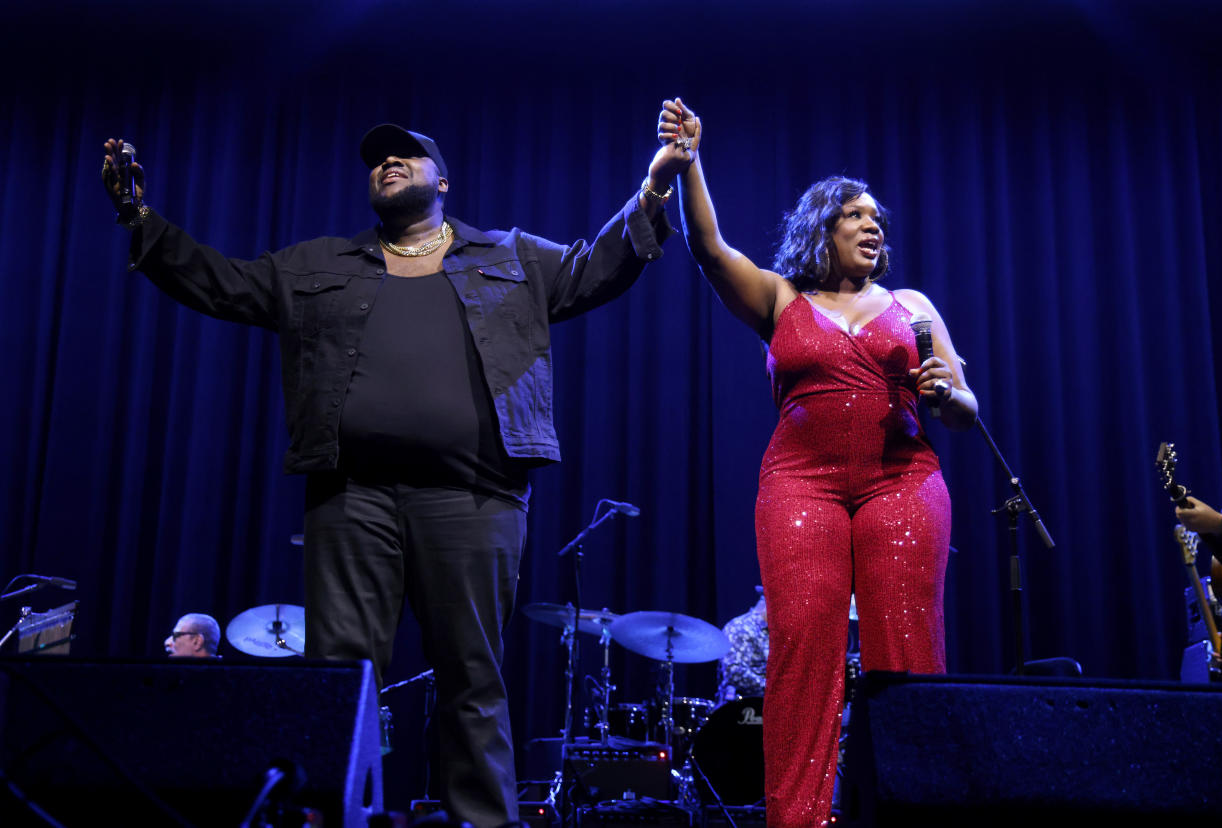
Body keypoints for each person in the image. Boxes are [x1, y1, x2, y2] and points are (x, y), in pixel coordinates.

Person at [102, 125, 688, 828]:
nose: (387, 161)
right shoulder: (319, 264)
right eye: (377, 157)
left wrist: (654, 187)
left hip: (475, 496)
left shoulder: (512, 255)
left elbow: (598, 266)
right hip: (353, 498)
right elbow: (222, 284)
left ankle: (483, 824)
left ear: (442, 181)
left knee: (472, 676)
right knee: (340, 679)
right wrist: (140, 218)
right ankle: (333, 819)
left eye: (405, 154)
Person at [658, 98, 978, 826]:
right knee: (804, 652)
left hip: (903, 481)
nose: (874, 226)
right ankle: (798, 820)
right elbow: (709, 248)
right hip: (802, 487)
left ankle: (913, 808)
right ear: (823, 226)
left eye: (879, 221)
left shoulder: (911, 305)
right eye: (858, 215)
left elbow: (965, 411)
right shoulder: (780, 297)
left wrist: (945, 393)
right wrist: (690, 161)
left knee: (906, 646)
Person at [716, 588, 768, 703]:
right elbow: (734, 672)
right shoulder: (741, 627)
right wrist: (773, 688)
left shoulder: (775, 632)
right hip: (743, 709)